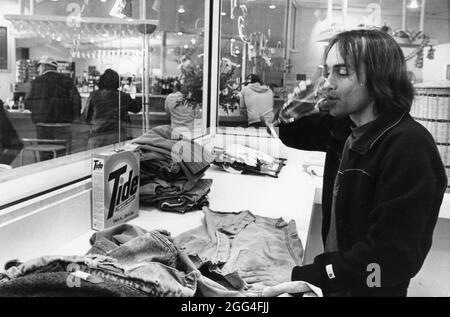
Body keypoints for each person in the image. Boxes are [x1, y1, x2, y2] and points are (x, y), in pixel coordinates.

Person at [277, 29, 447, 297]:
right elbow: (291, 133)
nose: (326, 83)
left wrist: (316, 276)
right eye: (327, 72)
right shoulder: (347, 126)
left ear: (379, 78)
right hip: (338, 285)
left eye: (342, 72)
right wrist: (294, 106)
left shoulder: (410, 147)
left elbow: (390, 260)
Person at [24, 56, 81, 161]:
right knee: (62, 157)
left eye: (39, 67)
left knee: (45, 156)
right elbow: (76, 102)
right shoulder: (68, 81)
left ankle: (45, 176)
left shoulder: (36, 82)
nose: (38, 69)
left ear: (44, 66)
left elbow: (27, 103)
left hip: (43, 126)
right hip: (64, 125)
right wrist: (75, 118)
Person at [82, 68, 141, 149]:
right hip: (118, 137)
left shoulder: (93, 95)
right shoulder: (123, 96)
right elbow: (136, 108)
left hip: (97, 137)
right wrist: (137, 90)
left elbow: (86, 117)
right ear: (117, 82)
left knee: (95, 160)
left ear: (101, 81)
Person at [0, 99, 23, 166]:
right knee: (17, 144)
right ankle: (2, 165)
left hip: (4, 133)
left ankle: (2, 165)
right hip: (4, 133)